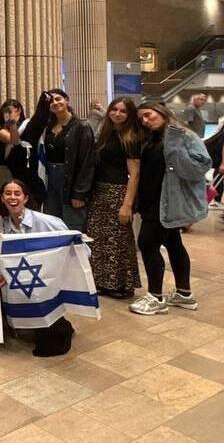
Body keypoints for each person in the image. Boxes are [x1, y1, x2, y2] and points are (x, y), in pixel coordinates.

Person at [130, 102, 211, 316]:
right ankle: (184, 294)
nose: (146, 120)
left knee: (147, 243)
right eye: (142, 119)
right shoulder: (153, 137)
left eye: (148, 115)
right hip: (154, 199)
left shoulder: (183, 135)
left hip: (167, 201)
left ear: (162, 112)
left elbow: (199, 168)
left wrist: (174, 148)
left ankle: (156, 297)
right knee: (173, 243)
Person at [0, 179, 76, 357]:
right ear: (2, 198)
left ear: (25, 198)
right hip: (18, 279)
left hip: (44, 278)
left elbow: (71, 244)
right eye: (8, 193)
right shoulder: (3, 225)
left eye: (17, 193)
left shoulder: (47, 222)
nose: (12, 197)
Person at [86, 98, 142, 299]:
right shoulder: (107, 133)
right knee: (99, 240)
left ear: (130, 115)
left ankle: (120, 284)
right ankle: (102, 281)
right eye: (114, 109)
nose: (117, 114)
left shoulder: (130, 137)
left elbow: (134, 174)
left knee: (118, 241)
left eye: (123, 111)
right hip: (99, 191)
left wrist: (127, 205)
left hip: (118, 192)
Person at [42, 89, 95, 231]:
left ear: (67, 100)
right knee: (52, 227)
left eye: (58, 99)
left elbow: (87, 163)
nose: (55, 103)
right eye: (51, 101)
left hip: (71, 182)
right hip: (52, 182)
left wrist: (80, 193)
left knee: (72, 228)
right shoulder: (48, 127)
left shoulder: (82, 127)